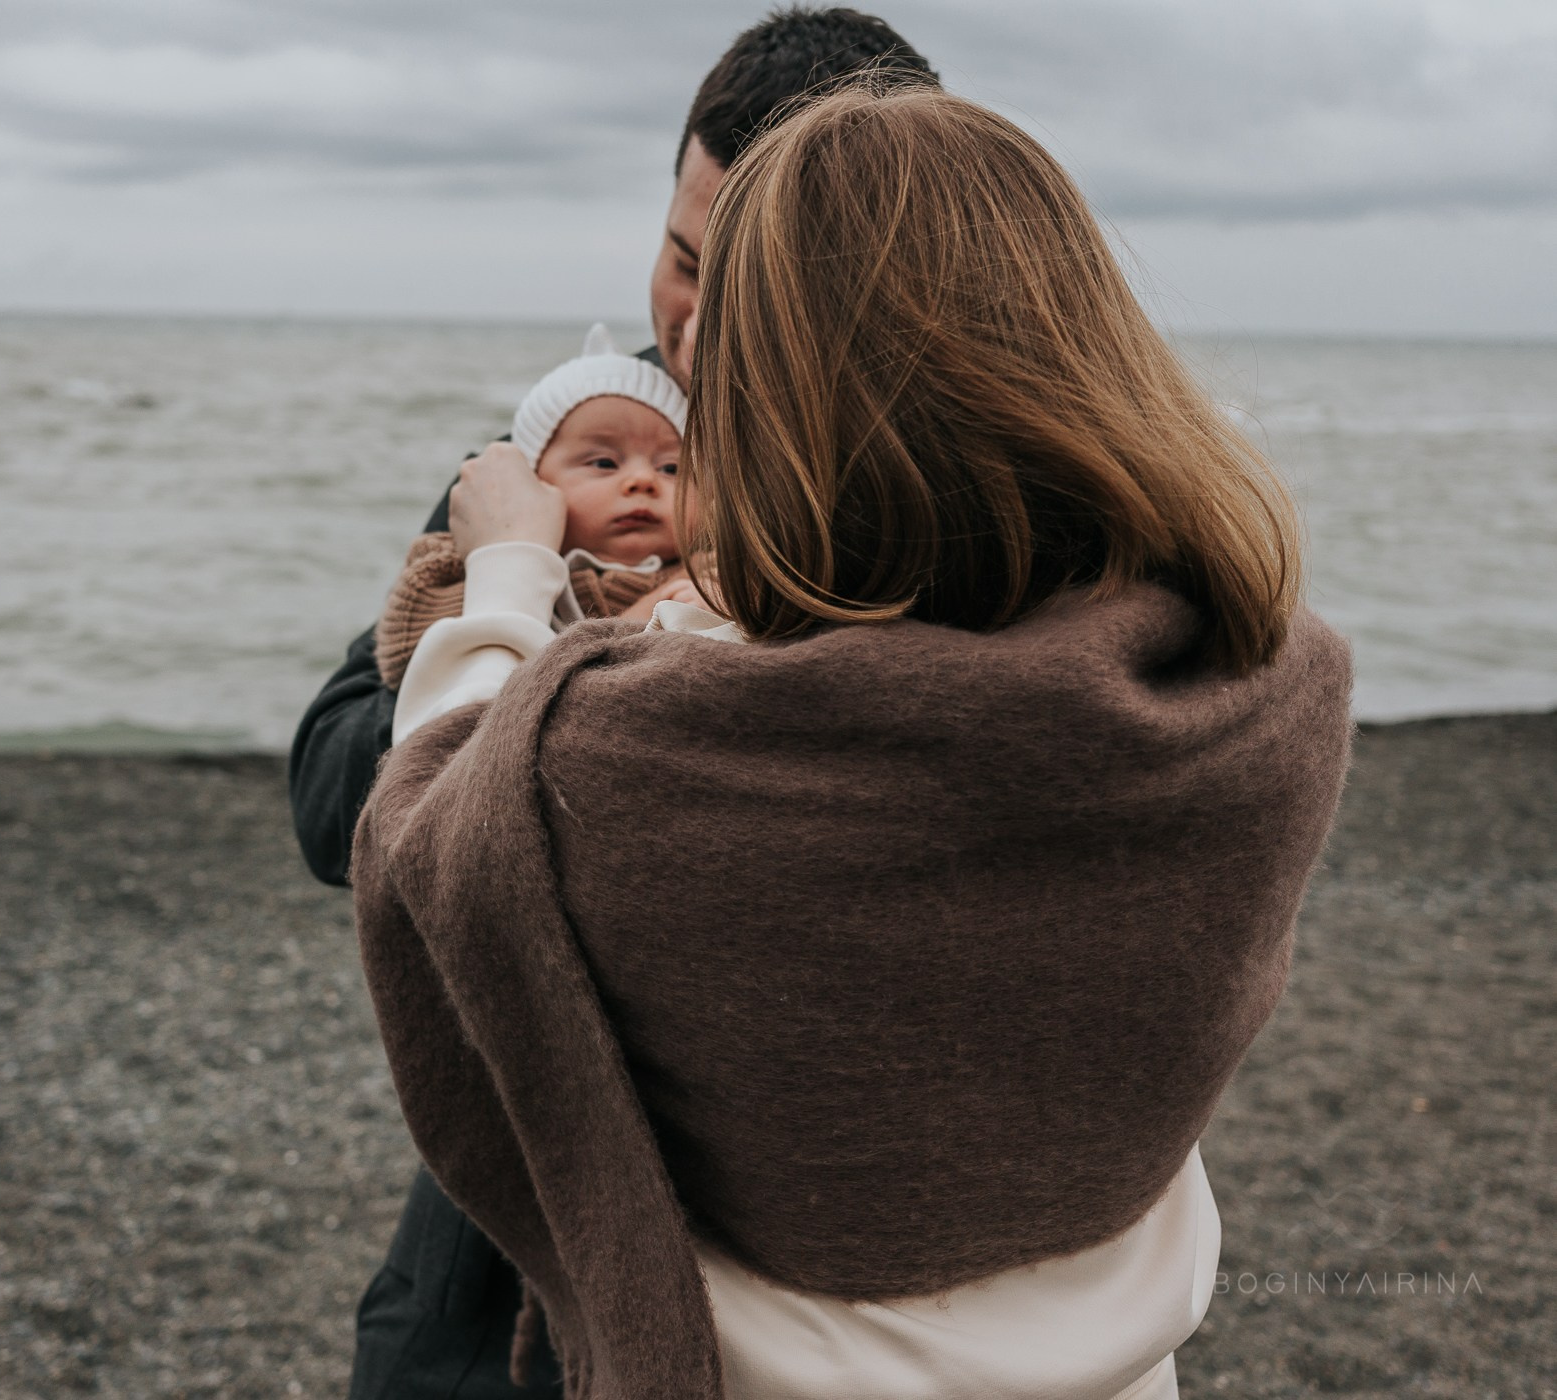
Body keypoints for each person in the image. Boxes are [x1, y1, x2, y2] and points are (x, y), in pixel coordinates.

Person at [351, 80, 1352, 1400]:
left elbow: (431, 835)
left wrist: (505, 579)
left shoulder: (652, 758)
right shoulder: (1271, 694)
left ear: (784, 396)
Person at [295, 12, 939, 1399]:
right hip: (493, 1239)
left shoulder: (929, 537)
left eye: (747, 284)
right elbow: (327, 790)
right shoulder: (562, 462)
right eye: (681, 257)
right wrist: (512, 584)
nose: (692, 327)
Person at [374, 325, 703, 705]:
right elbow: (409, 656)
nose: (642, 480)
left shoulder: (709, 572)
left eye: (672, 469)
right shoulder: (462, 565)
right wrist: (638, 621)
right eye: (603, 462)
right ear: (531, 482)